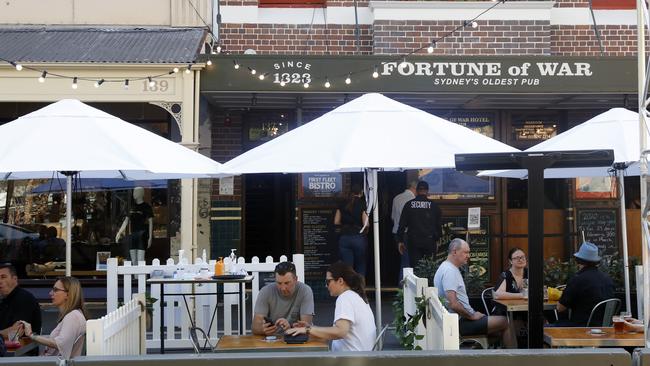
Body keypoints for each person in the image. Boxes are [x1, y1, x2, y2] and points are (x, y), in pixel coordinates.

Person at [434, 238, 515, 348]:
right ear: (454, 252)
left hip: (457, 320)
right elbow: (453, 303)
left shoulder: (447, 267)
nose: (468, 255)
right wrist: (472, 315)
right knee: (505, 322)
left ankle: (481, 351)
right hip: (459, 322)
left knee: (498, 330)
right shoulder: (449, 271)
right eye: (465, 252)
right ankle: (515, 358)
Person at [285, 262, 376, 351]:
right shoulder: (357, 297)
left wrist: (308, 329)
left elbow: (340, 332)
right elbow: (335, 334)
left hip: (350, 360)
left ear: (340, 281)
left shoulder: (345, 298)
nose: (326, 285)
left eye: (328, 281)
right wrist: (311, 329)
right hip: (361, 357)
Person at [21, 277, 87, 359]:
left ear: (68, 294)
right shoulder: (74, 315)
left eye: (55, 290)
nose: (50, 293)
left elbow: (60, 344)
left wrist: (32, 335)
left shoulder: (73, 316)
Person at [556, 242, 614, 326]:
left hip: (581, 327)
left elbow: (560, 308)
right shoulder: (607, 279)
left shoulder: (578, 279)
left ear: (578, 261)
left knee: (542, 330)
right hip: (605, 327)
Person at [252, 261, 314, 335]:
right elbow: (255, 328)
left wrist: (290, 328)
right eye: (279, 283)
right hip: (272, 339)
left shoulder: (305, 291)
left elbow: (306, 327)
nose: (283, 288)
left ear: (296, 279)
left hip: (296, 339)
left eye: (287, 283)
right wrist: (262, 329)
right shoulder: (265, 291)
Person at [397, 180, 442, 268]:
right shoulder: (434, 206)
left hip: (414, 242)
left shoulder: (409, 205)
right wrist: (437, 239)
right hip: (429, 241)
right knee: (429, 268)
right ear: (427, 191)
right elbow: (438, 225)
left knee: (415, 268)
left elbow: (402, 224)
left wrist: (400, 240)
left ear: (417, 191)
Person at [493, 247, 528, 346]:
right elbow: (498, 294)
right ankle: (515, 355)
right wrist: (521, 295)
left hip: (526, 311)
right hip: (506, 313)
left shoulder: (530, 273)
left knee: (542, 319)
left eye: (522, 257)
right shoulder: (506, 275)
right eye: (517, 258)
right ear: (510, 261)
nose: (520, 259)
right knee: (513, 323)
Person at [0, 263, 41, 341]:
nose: (0, 281)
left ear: (15, 279)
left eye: (3, 277)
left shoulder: (24, 298)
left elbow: (16, 333)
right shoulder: (3, 298)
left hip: (23, 351)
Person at [334, 184, 369, 276]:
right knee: (361, 265)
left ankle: (348, 288)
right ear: (361, 193)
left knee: (347, 267)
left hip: (344, 237)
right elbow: (366, 223)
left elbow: (336, 221)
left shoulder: (342, 204)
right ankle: (360, 289)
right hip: (358, 237)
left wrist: (345, 225)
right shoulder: (362, 204)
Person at [115, 187, 153, 263]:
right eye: (134, 192)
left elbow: (151, 222)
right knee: (134, 261)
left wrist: (150, 237)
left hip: (142, 236)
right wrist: (119, 232)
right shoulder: (131, 207)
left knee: (141, 261)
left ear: (141, 193)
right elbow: (126, 221)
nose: (134, 194)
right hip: (132, 236)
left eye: (136, 192)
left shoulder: (146, 207)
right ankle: (135, 275)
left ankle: (141, 275)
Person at [391, 180, 417, 282]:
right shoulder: (413, 200)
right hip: (408, 233)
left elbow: (392, 217)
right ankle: (404, 289)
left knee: (404, 260)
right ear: (415, 188)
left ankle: (402, 286)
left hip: (396, 232)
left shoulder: (396, 198)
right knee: (408, 262)